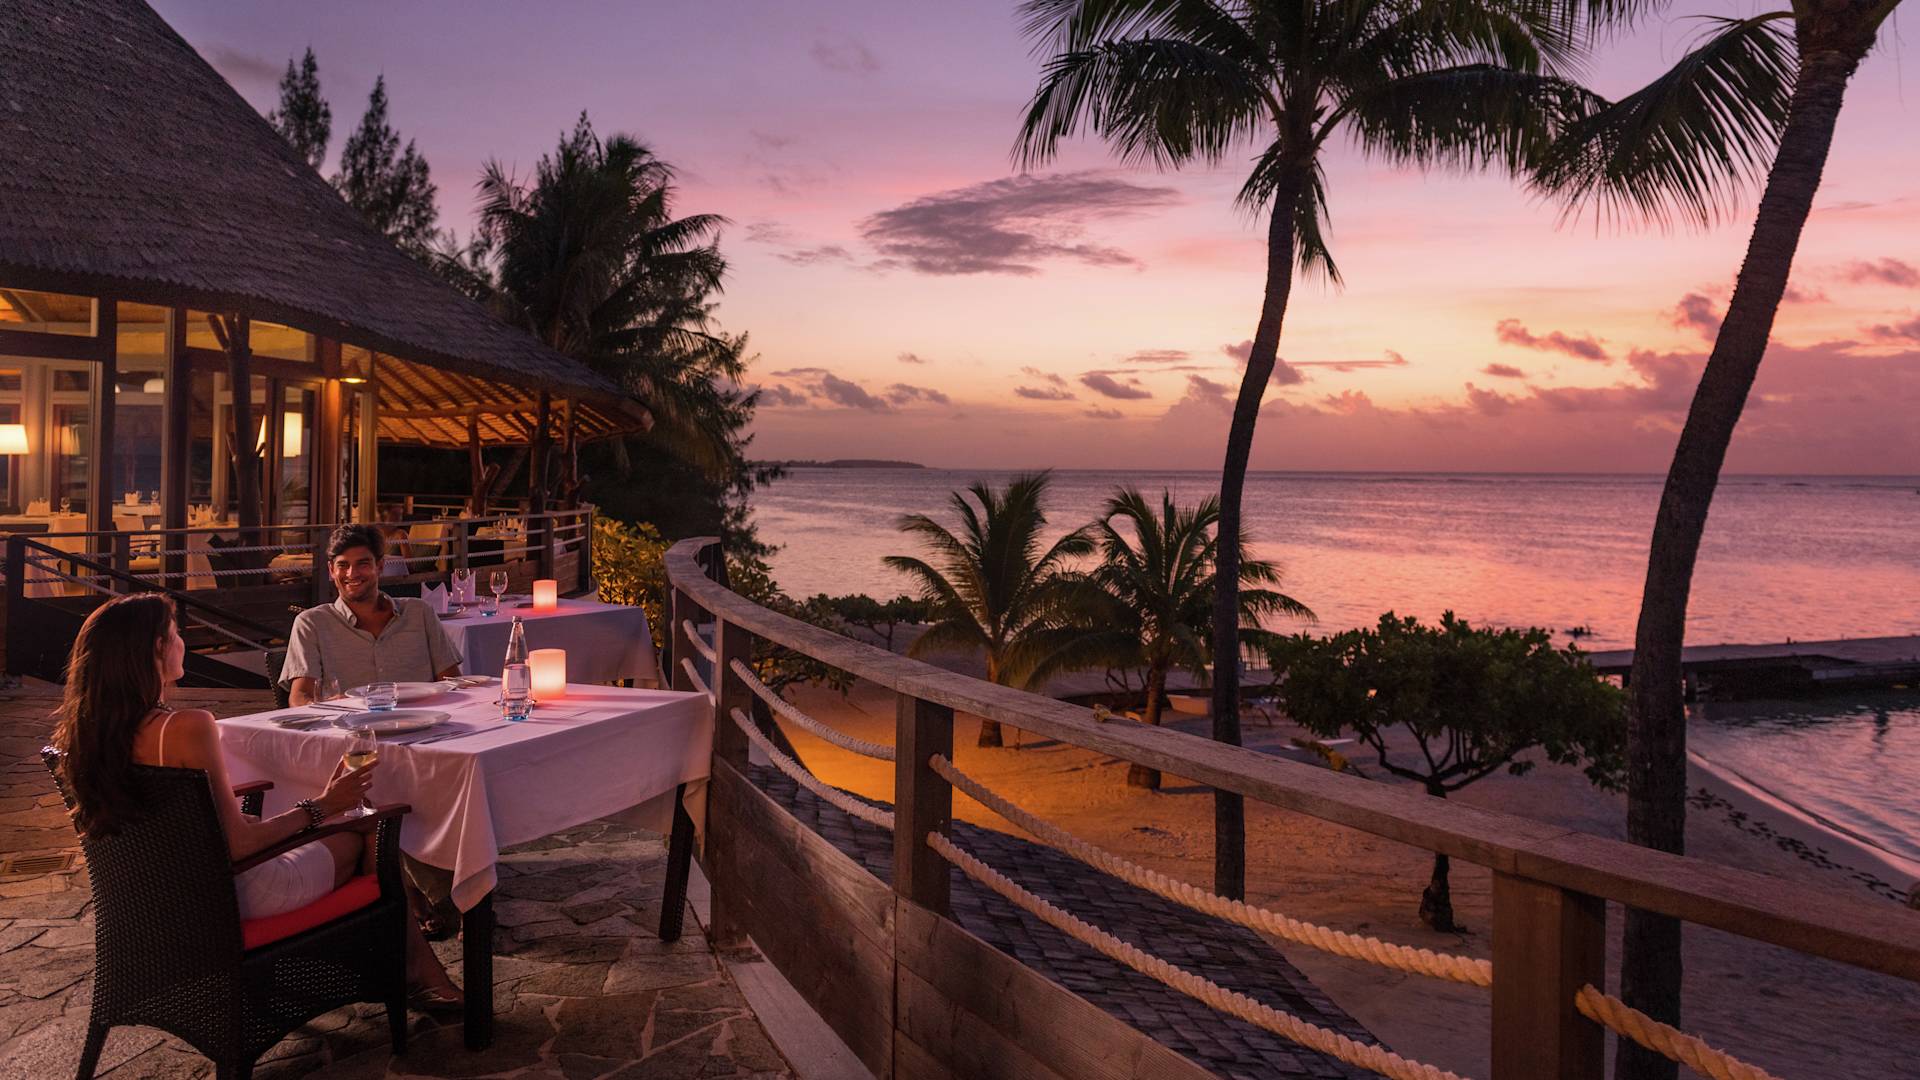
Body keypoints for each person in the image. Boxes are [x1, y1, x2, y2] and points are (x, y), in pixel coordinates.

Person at [49, 593, 462, 1008]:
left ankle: (384, 968)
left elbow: (189, 820)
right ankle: (408, 973)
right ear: (158, 648)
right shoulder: (187, 728)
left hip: (163, 898)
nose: (181, 643)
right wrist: (322, 806)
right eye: (176, 634)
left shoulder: (86, 737)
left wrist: (309, 808)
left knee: (338, 819)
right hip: (232, 897)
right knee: (369, 826)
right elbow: (239, 846)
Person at [284, 523, 462, 706]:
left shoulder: (420, 613)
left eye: (363, 564)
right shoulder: (311, 624)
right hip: (350, 722)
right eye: (343, 565)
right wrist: (331, 707)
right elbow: (300, 697)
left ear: (380, 566)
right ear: (331, 570)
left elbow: (453, 683)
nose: (352, 573)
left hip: (427, 720)